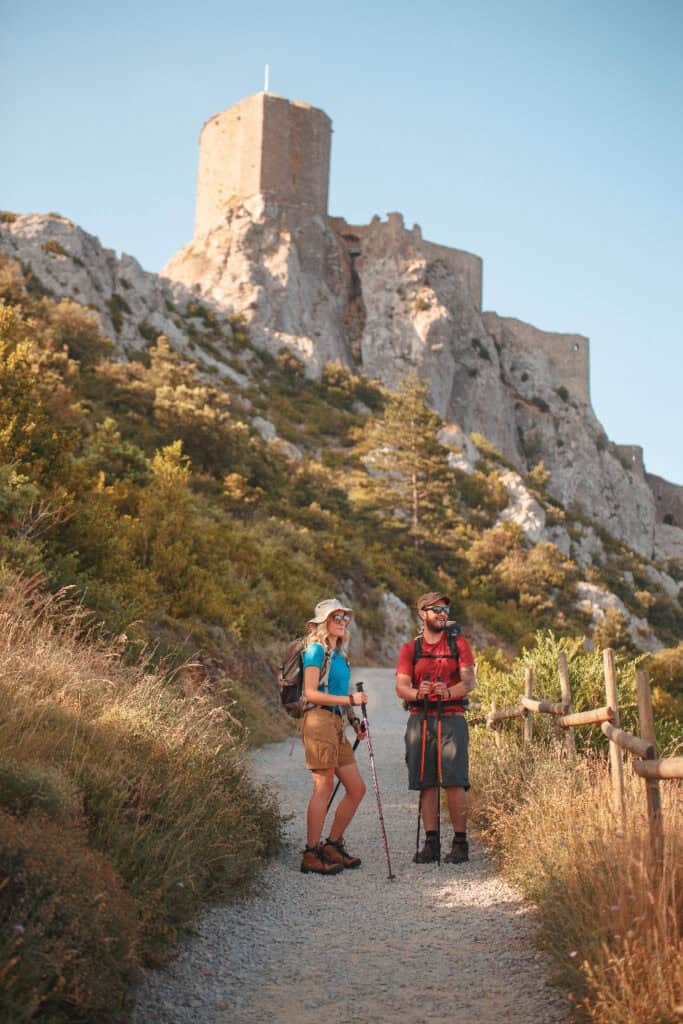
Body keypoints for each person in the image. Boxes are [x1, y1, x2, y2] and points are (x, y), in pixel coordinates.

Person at [395, 591, 476, 864]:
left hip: (452, 717)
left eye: (445, 610)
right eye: (436, 609)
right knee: (426, 782)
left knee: (455, 782)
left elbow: (468, 683)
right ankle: (431, 844)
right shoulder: (410, 649)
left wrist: (448, 691)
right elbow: (401, 687)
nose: (442, 614)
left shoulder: (459, 645)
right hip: (421, 718)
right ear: (422, 613)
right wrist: (420, 693)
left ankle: (460, 844)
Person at [300, 597, 368, 875]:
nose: (341, 622)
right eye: (335, 617)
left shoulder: (339, 654)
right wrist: (350, 700)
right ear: (323, 622)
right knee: (323, 788)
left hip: (336, 723)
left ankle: (332, 845)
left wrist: (353, 721)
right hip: (318, 721)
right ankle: (311, 853)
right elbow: (311, 693)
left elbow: (340, 696)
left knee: (356, 789)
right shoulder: (316, 650)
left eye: (344, 618)